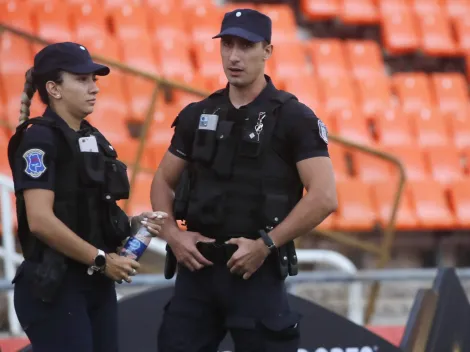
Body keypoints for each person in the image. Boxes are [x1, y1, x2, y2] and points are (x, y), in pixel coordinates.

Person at [151, 8, 338, 352]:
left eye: (247, 46)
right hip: (197, 271)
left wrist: (266, 245)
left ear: (267, 51)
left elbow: (324, 196)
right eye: (228, 45)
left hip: (256, 272)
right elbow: (162, 180)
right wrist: (173, 236)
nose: (234, 56)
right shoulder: (198, 114)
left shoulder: (294, 118)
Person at [7, 42, 167, 352]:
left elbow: (92, 210)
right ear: (53, 88)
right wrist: (101, 259)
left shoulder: (91, 136)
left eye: (94, 79)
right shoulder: (38, 139)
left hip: (95, 284)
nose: (93, 88)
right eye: (82, 79)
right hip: (55, 287)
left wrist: (133, 224)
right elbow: (40, 220)